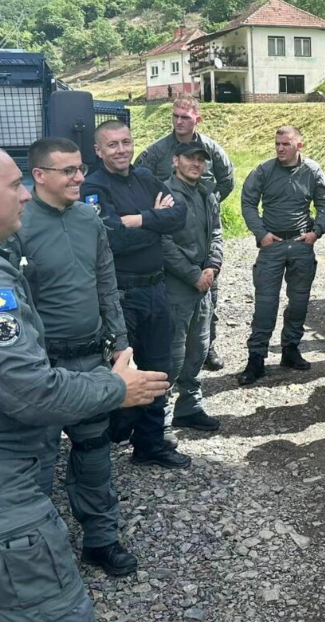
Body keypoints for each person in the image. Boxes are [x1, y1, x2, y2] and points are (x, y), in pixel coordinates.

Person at [0, 143, 170, 622]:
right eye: (14, 185)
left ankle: (101, 537)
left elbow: (102, 281)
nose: (22, 195)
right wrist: (116, 388)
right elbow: (24, 389)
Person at [10, 137, 137, 577]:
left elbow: (106, 283)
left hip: (89, 363)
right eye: (69, 171)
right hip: (41, 368)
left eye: (81, 168)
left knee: (95, 453)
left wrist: (120, 342)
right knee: (37, 463)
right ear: (39, 176)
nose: (80, 177)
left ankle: (101, 540)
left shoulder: (89, 220)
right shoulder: (17, 227)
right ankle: (38, 554)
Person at [82, 120, 189, 468]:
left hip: (156, 289)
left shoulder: (144, 178)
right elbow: (112, 238)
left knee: (159, 367)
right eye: (112, 145)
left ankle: (150, 443)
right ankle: (110, 436)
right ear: (98, 151)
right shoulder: (94, 187)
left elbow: (179, 215)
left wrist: (139, 219)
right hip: (122, 295)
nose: (121, 150)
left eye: (126, 142)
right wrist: (154, 220)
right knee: (118, 367)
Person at [134, 95, 234, 372]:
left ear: (197, 119)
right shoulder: (156, 152)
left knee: (209, 301)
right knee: (173, 313)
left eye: (185, 117)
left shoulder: (211, 150)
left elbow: (226, 181)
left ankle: (207, 347)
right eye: (175, 116)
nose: (179, 121)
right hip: (169, 236)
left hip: (202, 237)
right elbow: (138, 182)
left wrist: (203, 209)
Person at [237, 125, 325, 385]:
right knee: (265, 304)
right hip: (272, 244)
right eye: (277, 143)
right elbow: (247, 202)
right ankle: (256, 358)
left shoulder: (312, 171)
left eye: (286, 144)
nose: (280, 148)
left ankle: (291, 349)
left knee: (299, 302)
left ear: (299, 145)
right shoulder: (264, 171)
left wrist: (316, 232)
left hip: (302, 243)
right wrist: (261, 233)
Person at [162, 141, 225, 432]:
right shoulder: (164, 194)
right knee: (172, 354)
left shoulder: (206, 193)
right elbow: (163, 242)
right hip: (177, 286)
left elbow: (217, 233)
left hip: (204, 285)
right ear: (176, 160)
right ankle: (158, 419)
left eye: (201, 159)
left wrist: (212, 267)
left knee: (198, 348)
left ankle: (189, 406)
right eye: (190, 158)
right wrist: (192, 275)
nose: (196, 164)